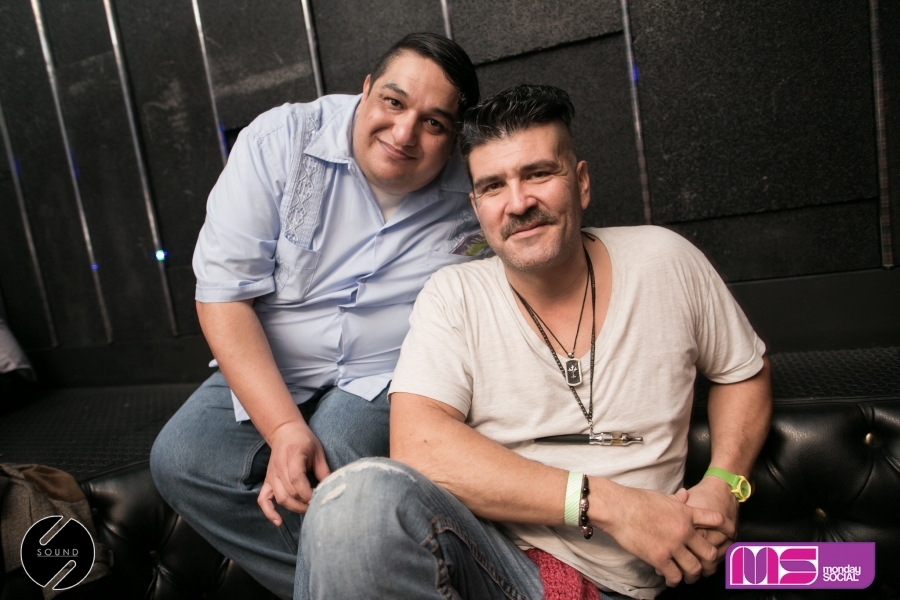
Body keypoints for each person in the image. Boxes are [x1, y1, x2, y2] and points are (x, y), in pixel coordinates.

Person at [300, 84, 772, 600]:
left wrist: (726, 482)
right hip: (498, 566)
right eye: (493, 186)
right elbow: (419, 445)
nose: (519, 203)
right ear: (476, 205)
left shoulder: (666, 261)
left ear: (581, 183)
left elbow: (743, 372)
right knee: (354, 499)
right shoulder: (454, 294)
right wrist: (610, 505)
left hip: (627, 584)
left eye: (539, 174)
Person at [150, 33, 484, 600]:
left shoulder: (476, 186)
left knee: (341, 450)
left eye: (433, 123)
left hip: (388, 371)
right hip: (280, 361)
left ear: (453, 139)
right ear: (366, 90)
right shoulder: (280, 141)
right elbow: (223, 296)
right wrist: (283, 430)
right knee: (181, 458)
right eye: (394, 102)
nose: (404, 133)